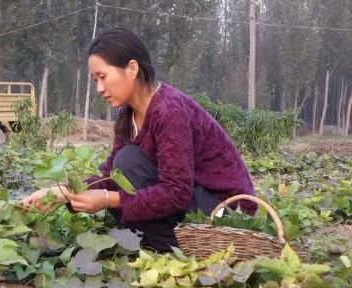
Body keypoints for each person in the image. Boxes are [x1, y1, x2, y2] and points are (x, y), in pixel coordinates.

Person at [21, 27, 257, 252]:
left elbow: (176, 192)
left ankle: (178, 245)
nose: (99, 88)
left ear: (132, 68)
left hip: (227, 213)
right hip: (194, 202)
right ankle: (161, 240)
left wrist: (106, 199)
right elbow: (110, 179)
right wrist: (60, 193)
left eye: (103, 77)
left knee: (128, 164)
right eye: (95, 80)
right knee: (114, 172)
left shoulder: (168, 110)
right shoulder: (128, 115)